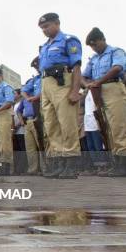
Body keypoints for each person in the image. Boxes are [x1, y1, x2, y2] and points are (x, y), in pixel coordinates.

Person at [38, 13, 82, 179]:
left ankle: (71, 163)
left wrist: (75, 91)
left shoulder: (68, 40)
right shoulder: (44, 46)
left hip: (62, 82)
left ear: (57, 23)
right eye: (42, 28)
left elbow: (76, 67)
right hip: (46, 83)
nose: (44, 30)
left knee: (67, 123)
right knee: (51, 124)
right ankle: (59, 162)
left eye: (47, 26)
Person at [82, 27, 126, 176]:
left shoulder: (116, 51)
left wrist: (98, 81)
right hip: (97, 93)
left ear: (103, 39)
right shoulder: (93, 59)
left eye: (95, 44)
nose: (94, 48)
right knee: (107, 128)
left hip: (114, 88)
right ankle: (117, 163)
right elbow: (84, 76)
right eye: (91, 46)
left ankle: (123, 164)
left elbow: (117, 68)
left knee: (118, 126)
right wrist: (88, 84)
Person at [21, 57, 43, 175]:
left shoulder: (46, 78)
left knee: (42, 144)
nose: (37, 68)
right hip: (28, 119)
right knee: (30, 148)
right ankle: (33, 169)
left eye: (37, 65)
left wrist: (35, 97)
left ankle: (45, 168)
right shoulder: (34, 80)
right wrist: (28, 97)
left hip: (40, 114)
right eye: (35, 67)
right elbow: (24, 90)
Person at [12, 89, 27, 175]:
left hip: (22, 130)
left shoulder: (22, 103)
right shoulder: (14, 104)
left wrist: (17, 126)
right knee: (17, 150)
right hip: (16, 131)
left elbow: (23, 115)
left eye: (14, 93)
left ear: (19, 94)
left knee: (23, 150)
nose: (13, 95)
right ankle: (18, 169)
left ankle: (23, 168)